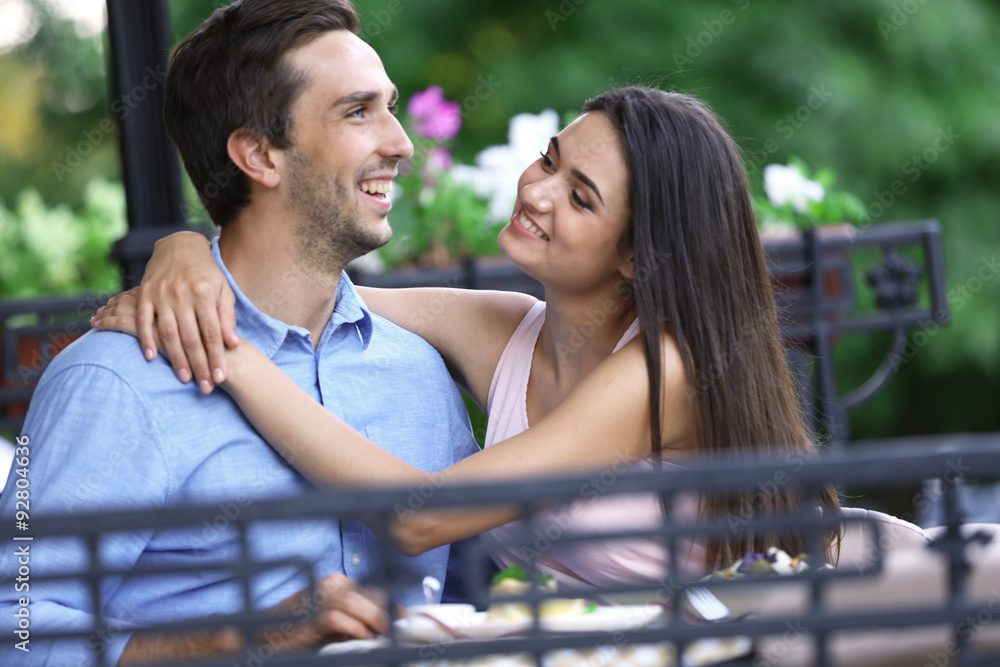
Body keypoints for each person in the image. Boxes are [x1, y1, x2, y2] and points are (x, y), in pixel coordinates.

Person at [95, 86, 842, 589]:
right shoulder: (504, 327)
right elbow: (300, 289)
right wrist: (184, 253)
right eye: (551, 158)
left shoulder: (661, 371)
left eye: (579, 196)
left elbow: (420, 516)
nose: (536, 189)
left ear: (638, 256)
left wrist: (231, 358)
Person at [0, 0, 480, 664]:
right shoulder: (111, 378)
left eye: (391, 107)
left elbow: (472, 597)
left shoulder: (418, 369)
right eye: (357, 112)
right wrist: (237, 635)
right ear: (258, 154)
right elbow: (13, 622)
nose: (400, 143)